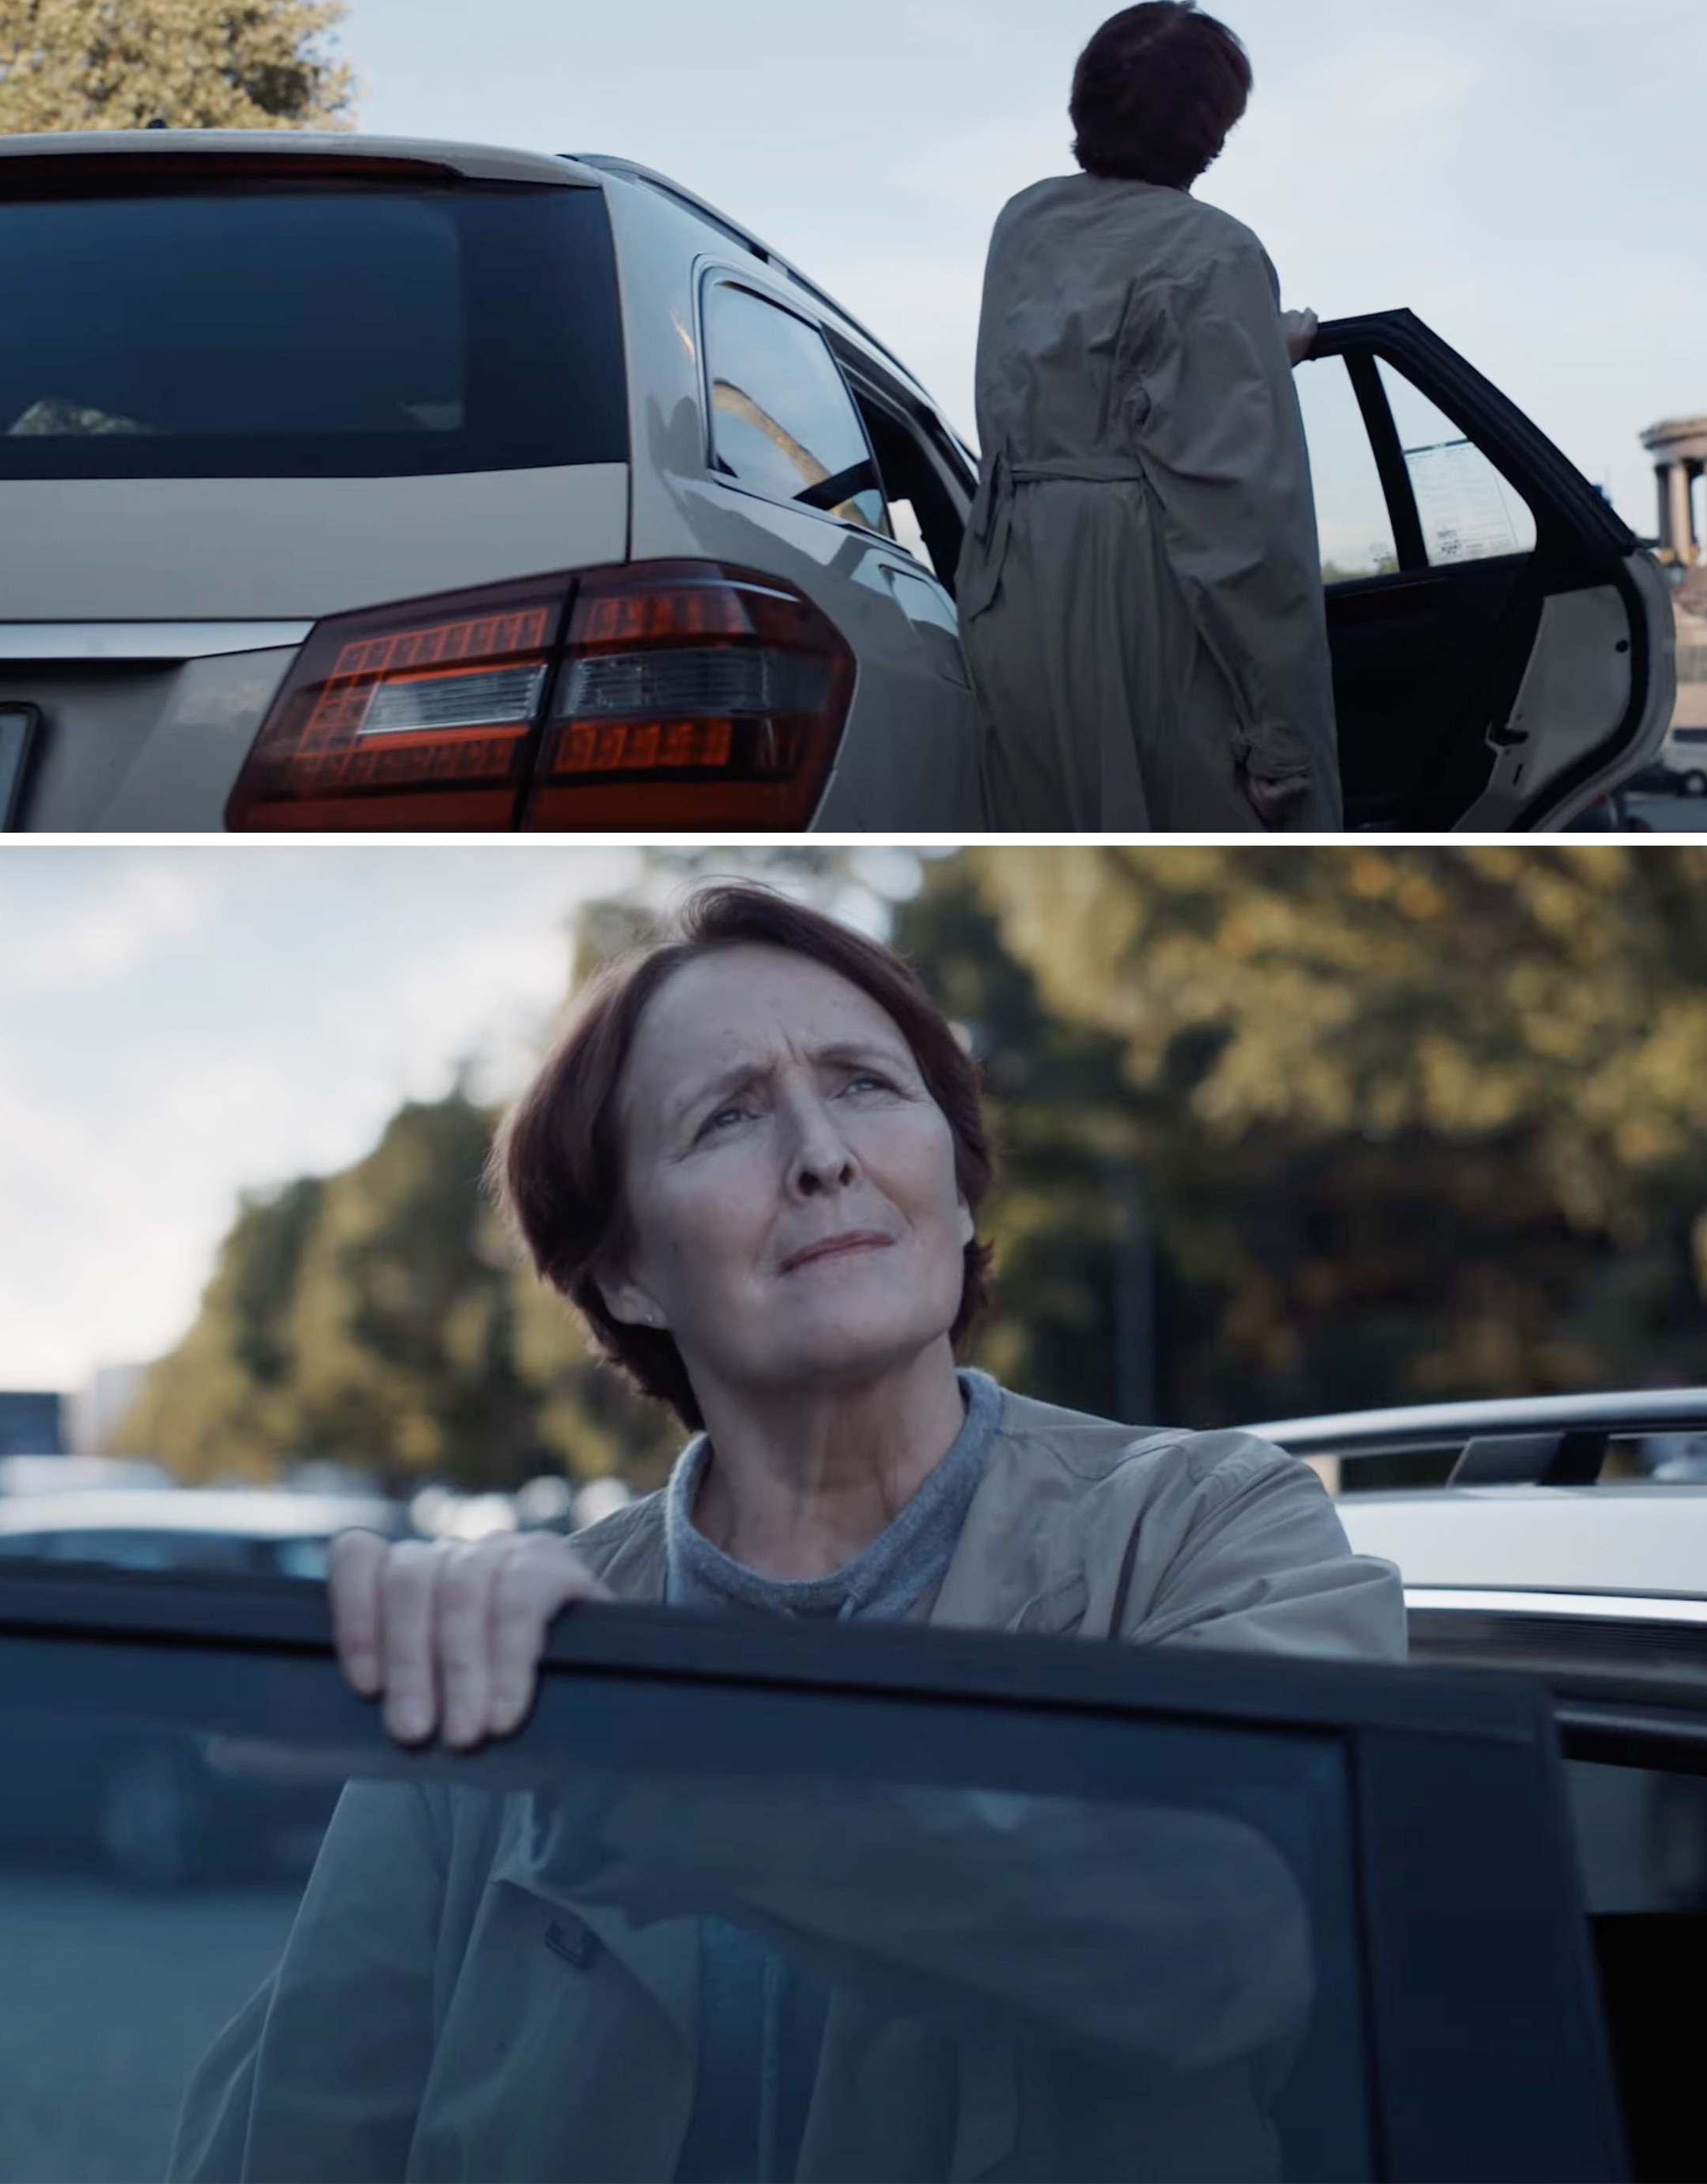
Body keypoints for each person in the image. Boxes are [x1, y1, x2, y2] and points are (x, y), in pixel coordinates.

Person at [172, 883, 1403, 2182]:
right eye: (729, 1116)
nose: (821, 1153)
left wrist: (658, 1759)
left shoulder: (1211, 1524)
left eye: (866, 1084)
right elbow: (292, 2140)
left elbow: (1238, 1942)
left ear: (962, 1185)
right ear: (627, 1271)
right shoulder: (495, 1646)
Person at [955, 1, 1341, 831]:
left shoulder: (1024, 222)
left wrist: (1251, 346)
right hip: (1140, 599)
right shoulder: (1215, 253)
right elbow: (1240, 524)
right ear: (1209, 130)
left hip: (1010, 586)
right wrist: (1282, 744)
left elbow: (1091, 357)